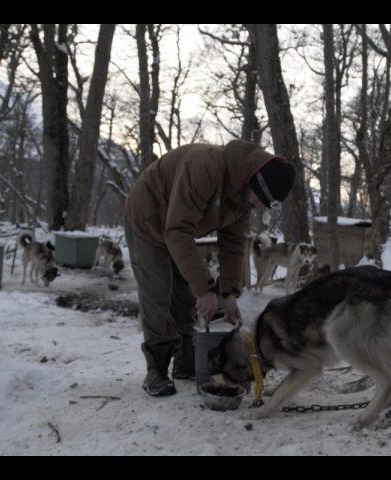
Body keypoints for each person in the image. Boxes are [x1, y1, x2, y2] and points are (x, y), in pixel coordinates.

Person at [124, 139, 296, 397]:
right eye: (259, 199)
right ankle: (156, 369)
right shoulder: (204, 167)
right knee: (158, 292)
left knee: (183, 295)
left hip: (178, 229)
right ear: (252, 181)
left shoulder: (242, 198)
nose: (258, 207)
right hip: (147, 220)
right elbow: (178, 230)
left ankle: (185, 361)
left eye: (264, 203)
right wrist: (205, 289)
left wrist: (228, 293)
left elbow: (233, 244)